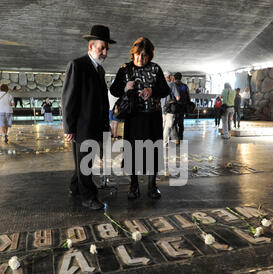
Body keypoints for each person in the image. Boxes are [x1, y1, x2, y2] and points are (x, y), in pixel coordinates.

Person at [62, 25, 115, 210]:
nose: (105, 52)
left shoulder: (99, 70)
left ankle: (75, 187)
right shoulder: (77, 65)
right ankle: (88, 197)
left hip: (96, 125)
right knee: (85, 162)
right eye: (102, 48)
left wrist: (105, 125)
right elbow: (68, 98)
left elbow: (101, 100)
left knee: (85, 159)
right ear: (91, 46)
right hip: (82, 125)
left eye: (107, 48)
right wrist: (69, 127)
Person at [110, 36, 170, 200]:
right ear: (133, 53)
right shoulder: (125, 68)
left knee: (153, 151)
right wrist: (125, 87)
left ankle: (152, 186)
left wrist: (152, 91)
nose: (140, 58)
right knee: (133, 152)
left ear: (150, 55)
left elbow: (165, 90)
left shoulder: (156, 69)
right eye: (138, 54)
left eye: (144, 55)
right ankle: (134, 186)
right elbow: (113, 90)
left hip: (152, 117)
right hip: (133, 117)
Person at [171, 72, 191, 143]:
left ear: (174, 77)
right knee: (181, 123)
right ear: (181, 77)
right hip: (182, 106)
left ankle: (175, 137)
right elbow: (188, 97)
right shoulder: (185, 86)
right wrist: (188, 105)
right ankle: (181, 137)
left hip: (174, 106)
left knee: (174, 122)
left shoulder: (172, 85)